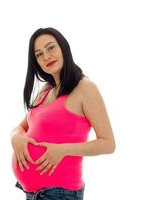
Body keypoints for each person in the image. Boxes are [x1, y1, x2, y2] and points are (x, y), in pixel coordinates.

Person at [10, 27, 116, 200]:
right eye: (39, 54)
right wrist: (15, 137)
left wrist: (63, 150)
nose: (46, 56)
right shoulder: (46, 89)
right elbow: (22, 126)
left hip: (59, 193)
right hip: (32, 193)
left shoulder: (85, 88)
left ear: (63, 47)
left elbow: (108, 144)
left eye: (51, 47)